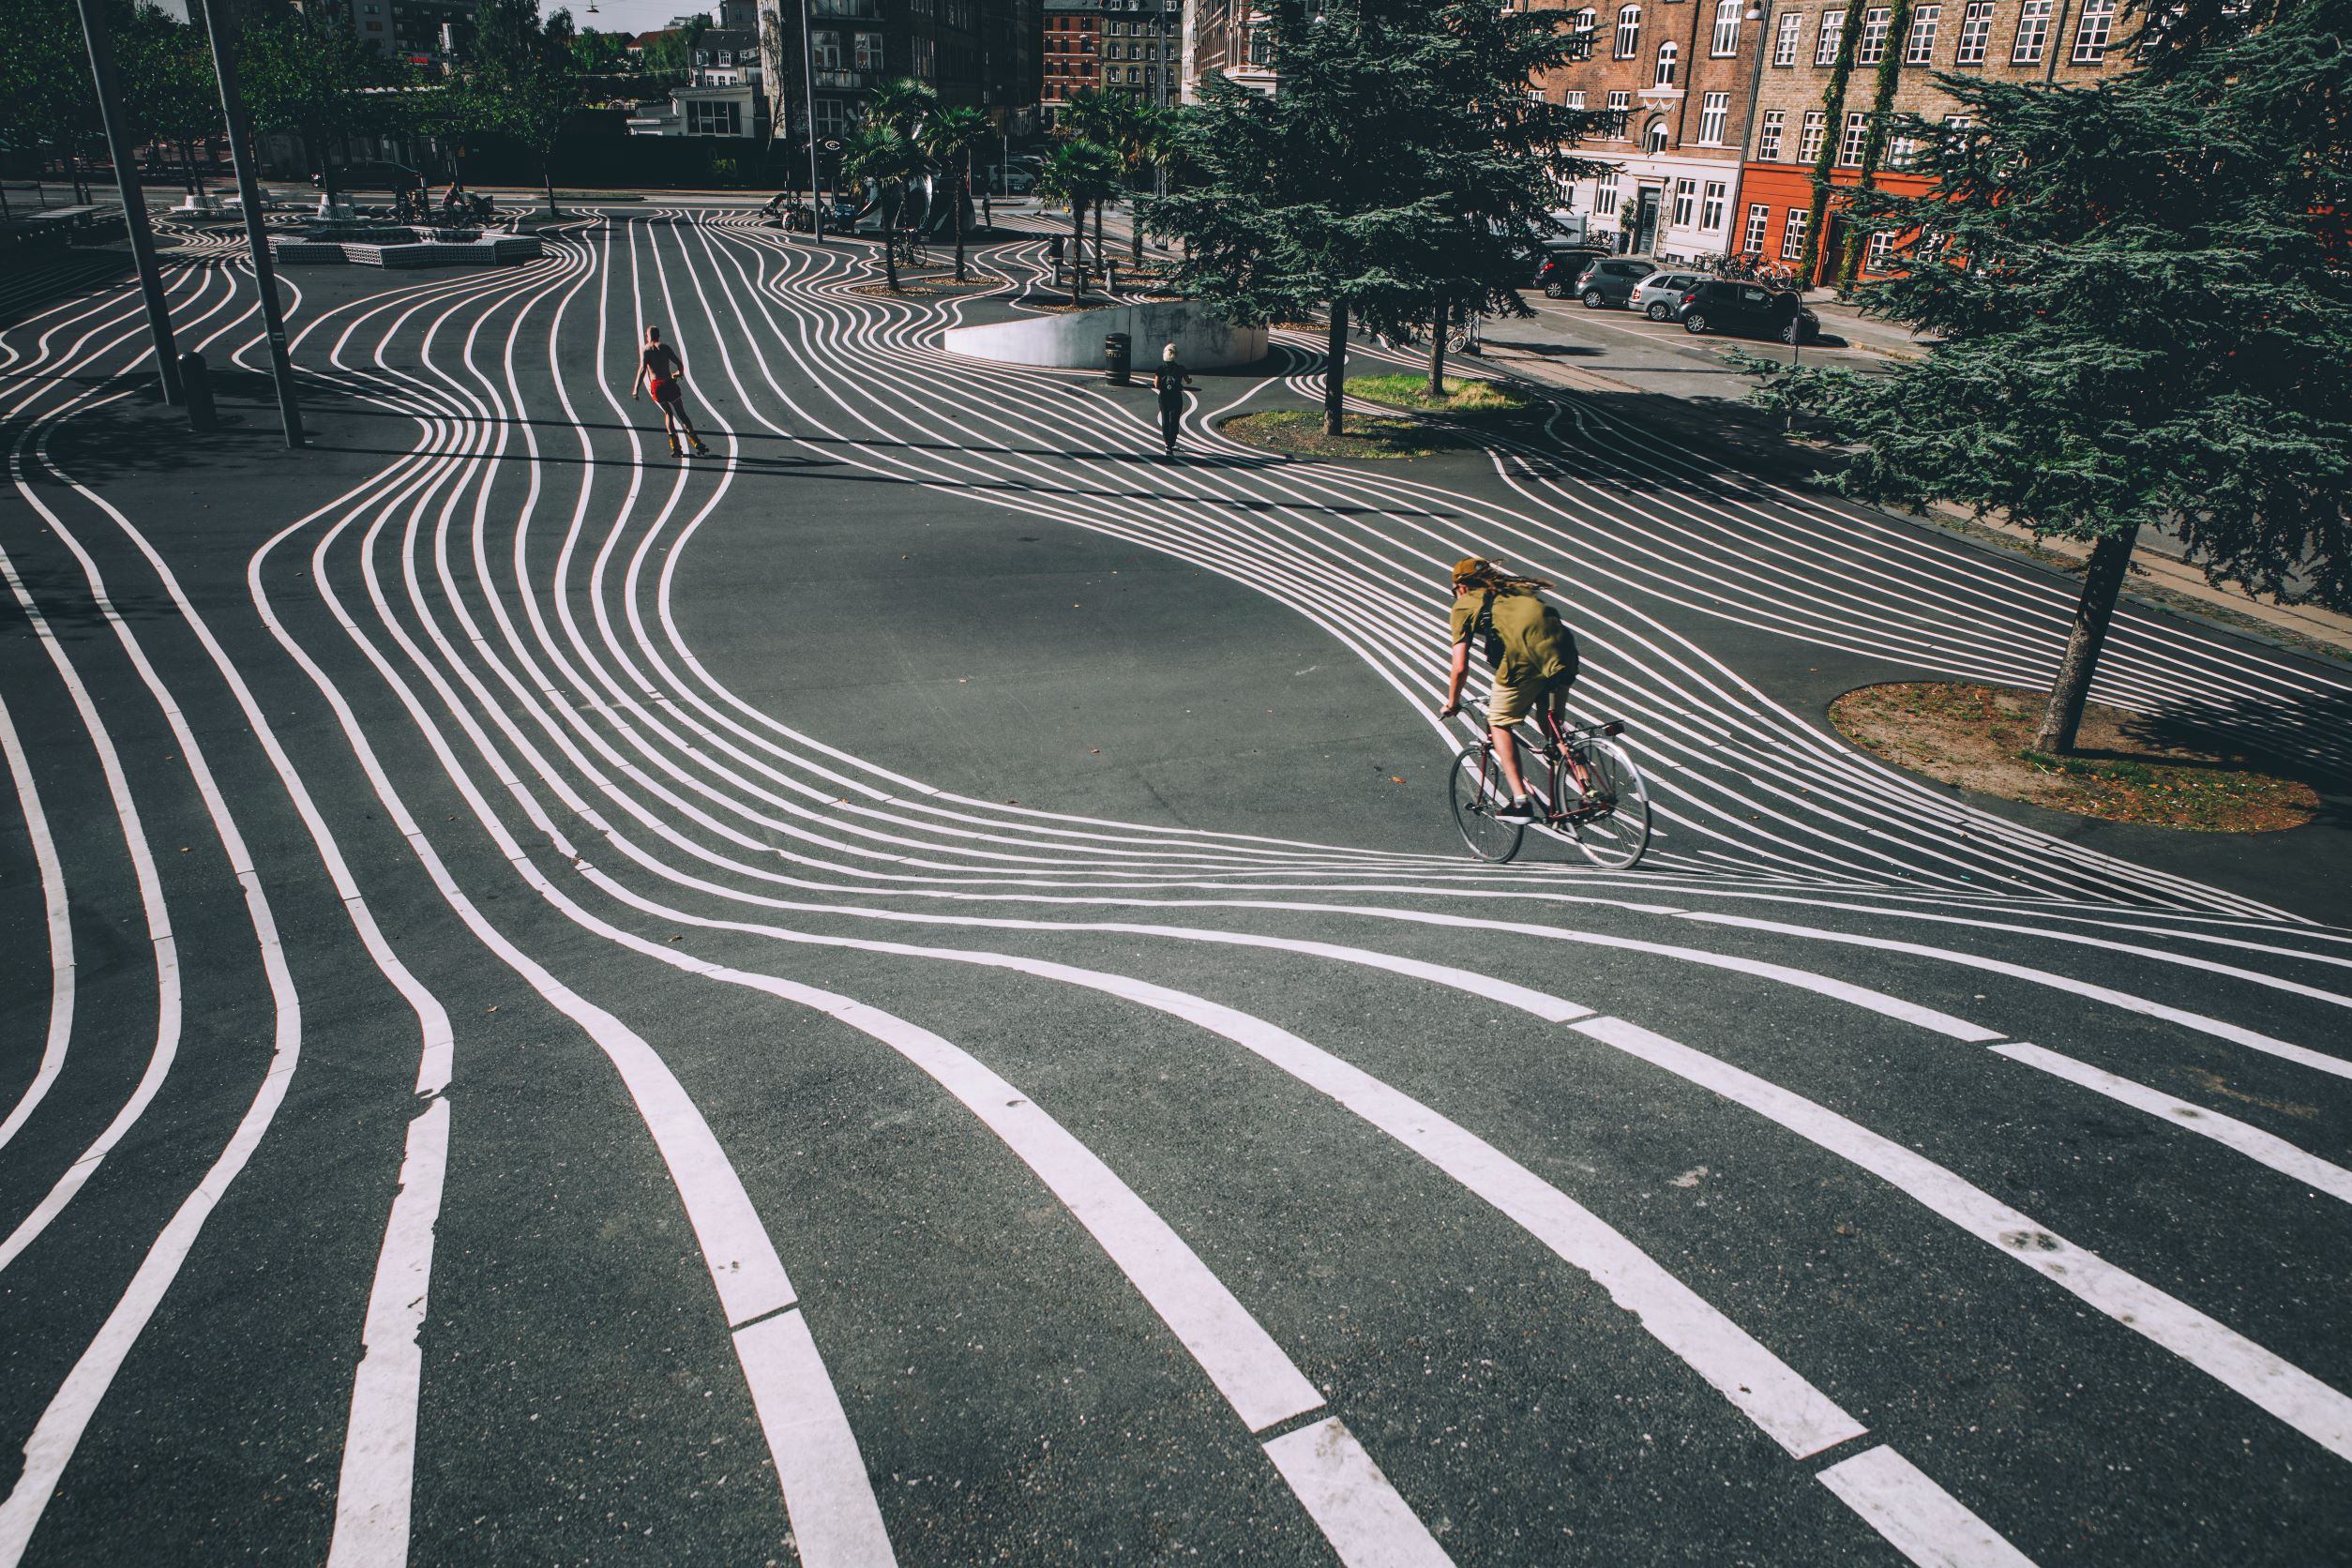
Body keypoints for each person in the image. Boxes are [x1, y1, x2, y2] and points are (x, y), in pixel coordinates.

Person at [1439, 557, 1588, 822]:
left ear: (1461, 586)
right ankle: (1589, 788)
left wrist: (1452, 702)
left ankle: (1520, 802)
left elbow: (1460, 665)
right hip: (1565, 651)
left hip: (1525, 659)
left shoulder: (1464, 604)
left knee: (1497, 721)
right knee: (1551, 722)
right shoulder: (1512, 590)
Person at [631, 324, 710, 459]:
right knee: (681, 413)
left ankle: (675, 446)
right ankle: (696, 441)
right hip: (669, 383)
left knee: (668, 413)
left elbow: (643, 369)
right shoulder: (665, 347)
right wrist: (678, 373)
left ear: (647, 335)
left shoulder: (645, 349)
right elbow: (680, 364)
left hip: (656, 385)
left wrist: (636, 389)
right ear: (659, 335)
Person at [1151, 343, 1192, 460]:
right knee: (1174, 419)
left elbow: (1156, 384)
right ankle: (1171, 442)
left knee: (1165, 419)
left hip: (1164, 397)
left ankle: (1167, 444)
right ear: (1175, 355)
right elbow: (1188, 381)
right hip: (1176, 397)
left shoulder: (1160, 368)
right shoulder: (1181, 368)